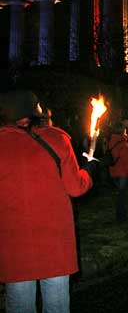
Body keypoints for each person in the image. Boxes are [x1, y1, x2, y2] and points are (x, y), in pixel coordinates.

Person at [0, 90, 93, 313]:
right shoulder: (57, 138)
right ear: (36, 111)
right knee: (57, 305)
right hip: (55, 243)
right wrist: (89, 172)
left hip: (15, 245)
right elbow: (76, 187)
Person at [107, 120, 128, 223]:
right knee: (122, 196)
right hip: (122, 172)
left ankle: (119, 215)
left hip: (113, 171)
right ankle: (121, 217)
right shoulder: (123, 143)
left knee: (119, 194)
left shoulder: (112, 141)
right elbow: (126, 160)